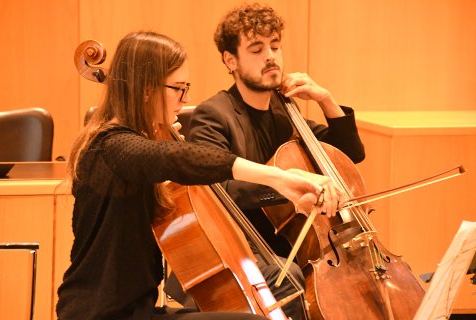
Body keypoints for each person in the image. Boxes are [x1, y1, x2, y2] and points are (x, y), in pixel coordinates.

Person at [56, 31, 342, 320]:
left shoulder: (133, 149)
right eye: (179, 88)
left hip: (139, 311)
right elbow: (180, 158)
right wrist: (279, 178)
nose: (186, 97)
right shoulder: (109, 145)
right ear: (145, 89)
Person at [182, 3, 366, 320]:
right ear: (230, 60)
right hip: (246, 249)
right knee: (292, 276)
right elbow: (216, 190)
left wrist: (326, 99)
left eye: (275, 46)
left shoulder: (285, 112)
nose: (271, 56)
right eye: (257, 49)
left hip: (297, 248)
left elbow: (348, 155)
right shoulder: (214, 115)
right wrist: (290, 189)